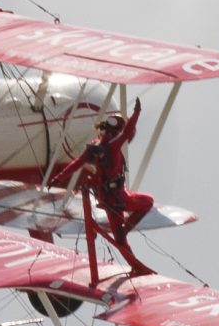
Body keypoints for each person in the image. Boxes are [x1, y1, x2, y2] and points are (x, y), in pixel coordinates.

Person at [66, 111, 154, 274]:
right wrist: (137, 114)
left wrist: (60, 176)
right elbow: (127, 133)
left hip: (107, 199)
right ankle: (132, 253)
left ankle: (134, 263)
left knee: (120, 237)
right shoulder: (112, 145)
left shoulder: (96, 145)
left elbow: (77, 163)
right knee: (147, 202)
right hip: (117, 198)